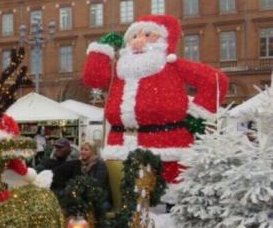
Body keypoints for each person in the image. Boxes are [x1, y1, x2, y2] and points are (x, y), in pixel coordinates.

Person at [84, 14, 228, 184]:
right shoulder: (120, 70)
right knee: (124, 198)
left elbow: (215, 81)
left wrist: (196, 115)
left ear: (165, 40)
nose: (138, 41)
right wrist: (102, 49)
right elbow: (93, 78)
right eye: (134, 36)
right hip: (119, 145)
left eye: (147, 35)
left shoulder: (171, 66)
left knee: (165, 198)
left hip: (165, 144)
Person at [79, 141, 112, 213]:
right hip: (86, 197)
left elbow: (98, 185)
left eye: (86, 150)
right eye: (82, 149)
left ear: (93, 152)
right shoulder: (81, 164)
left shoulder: (100, 164)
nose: (82, 152)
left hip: (101, 199)